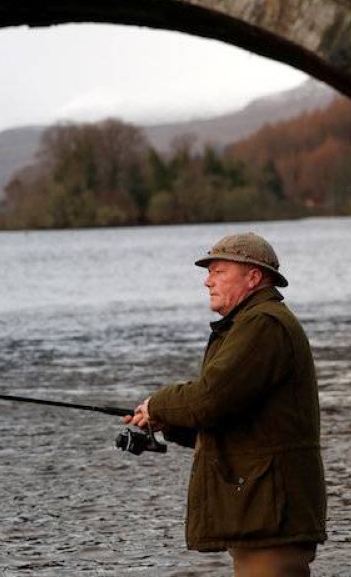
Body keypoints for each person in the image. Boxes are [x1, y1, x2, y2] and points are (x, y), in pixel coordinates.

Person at [125, 232, 326, 576]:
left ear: (253, 277)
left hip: (271, 512)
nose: (207, 281)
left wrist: (157, 405)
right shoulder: (251, 324)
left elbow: (211, 396)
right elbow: (234, 418)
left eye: (219, 271)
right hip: (262, 509)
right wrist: (168, 423)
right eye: (209, 272)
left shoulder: (263, 325)